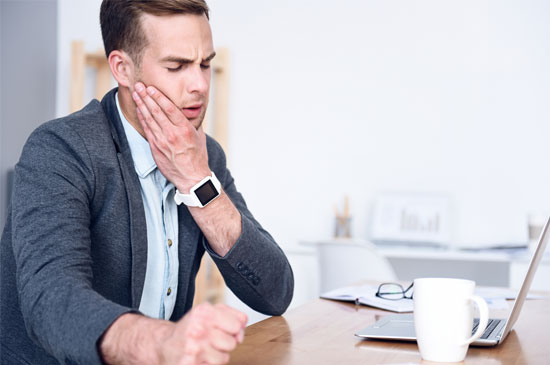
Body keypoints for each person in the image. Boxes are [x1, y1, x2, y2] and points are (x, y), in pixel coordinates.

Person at [0, 0, 294, 364]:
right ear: (122, 69)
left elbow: (275, 292)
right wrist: (162, 342)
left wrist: (197, 181)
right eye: (177, 66)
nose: (200, 85)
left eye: (205, 63)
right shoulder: (60, 149)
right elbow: (52, 301)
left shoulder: (202, 155)